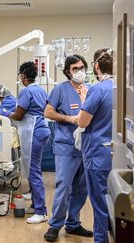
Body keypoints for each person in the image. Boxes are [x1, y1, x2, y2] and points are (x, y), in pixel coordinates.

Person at [43, 55, 93, 241]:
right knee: (63, 186)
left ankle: (73, 224)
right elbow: (48, 112)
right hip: (66, 147)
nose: (79, 71)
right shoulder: (60, 90)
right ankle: (55, 226)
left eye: (82, 67)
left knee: (81, 188)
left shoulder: (89, 89)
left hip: (86, 147)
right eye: (75, 69)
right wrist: (69, 118)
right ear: (67, 71)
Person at [77, 48, 114, 243]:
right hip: (116, 155)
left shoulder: (98, 90)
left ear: (96, 66)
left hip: (97, 154)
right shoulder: (122, 88)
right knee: (114, 201)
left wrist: (84, 100)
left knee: (100, 205)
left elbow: (83, 122)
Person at [8, 61, 51, 224]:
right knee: (35, 168)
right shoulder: (40, 90)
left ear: (24, 76)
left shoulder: (26, 91)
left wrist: (7, 114)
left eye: (20, 75)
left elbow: (19, 115)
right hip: (42, 130)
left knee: (34, 171)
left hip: (34, 131)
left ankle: (41, 211)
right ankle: (35, 205)